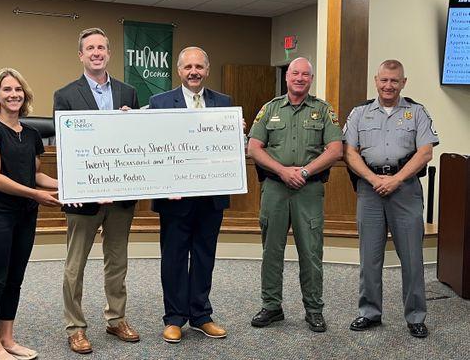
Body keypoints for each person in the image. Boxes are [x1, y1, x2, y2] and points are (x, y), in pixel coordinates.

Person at [53, 27, 140, 354]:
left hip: (120, 194)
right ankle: (75, 327)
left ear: (108, 52)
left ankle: (116, 318)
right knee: (75, 265)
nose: (96, 53)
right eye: (90, 48)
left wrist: (133, 122)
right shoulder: (65, 94)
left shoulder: (128, 92)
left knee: (117, 261)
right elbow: (66, 145)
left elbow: (136, 142)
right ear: (81, 55)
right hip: (85, 195)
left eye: (101, 47)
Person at [343, 60, 438, 338]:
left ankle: (416, 316)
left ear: (404, 83)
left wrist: (395, 180)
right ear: (376, 80)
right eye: (384, 80)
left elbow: (425, 153)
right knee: (369, 258)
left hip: (405, 190)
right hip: (369, 190)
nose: (389, 86)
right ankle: (369, 312)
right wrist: (373, 180)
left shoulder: (417, 112)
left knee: (412, 258)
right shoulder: (360, 113)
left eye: (394, 81)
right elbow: (349, 152)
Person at [247, 57, 343, 333]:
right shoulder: (270, 109)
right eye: (295, 73)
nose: (300, 78)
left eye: (305, 74)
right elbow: (255, 148)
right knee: (271, 252)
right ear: (287, 77)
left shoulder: (324, 111)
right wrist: (283, 171)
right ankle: (271, 306)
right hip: (275, 189)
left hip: (308, 190)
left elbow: (335, 150)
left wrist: (303, 172)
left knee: (311, 252)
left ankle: (314, 309)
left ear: (311, 79)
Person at [0, 68, 61, 360]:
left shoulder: (33, 134)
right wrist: (35, 194)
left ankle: (7, 339)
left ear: (25, 95)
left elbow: (35, 175)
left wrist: (69, 185)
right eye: (7, 90)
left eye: (18, 90)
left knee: (15, 280)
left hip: (25, 216)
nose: (13, 95)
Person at [148, 46, 231, 343]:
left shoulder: (224, 103)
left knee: (204, 255)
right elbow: (152, 148)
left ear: (207, 70)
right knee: (173, 257)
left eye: (199, 67)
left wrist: (237, 133)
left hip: (211, 196)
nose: (193, 72)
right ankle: (173, 318)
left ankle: (200, 315)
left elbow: (227, 149)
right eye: (188, 67)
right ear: (179, 71)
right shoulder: (159, 103)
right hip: (175, 197)